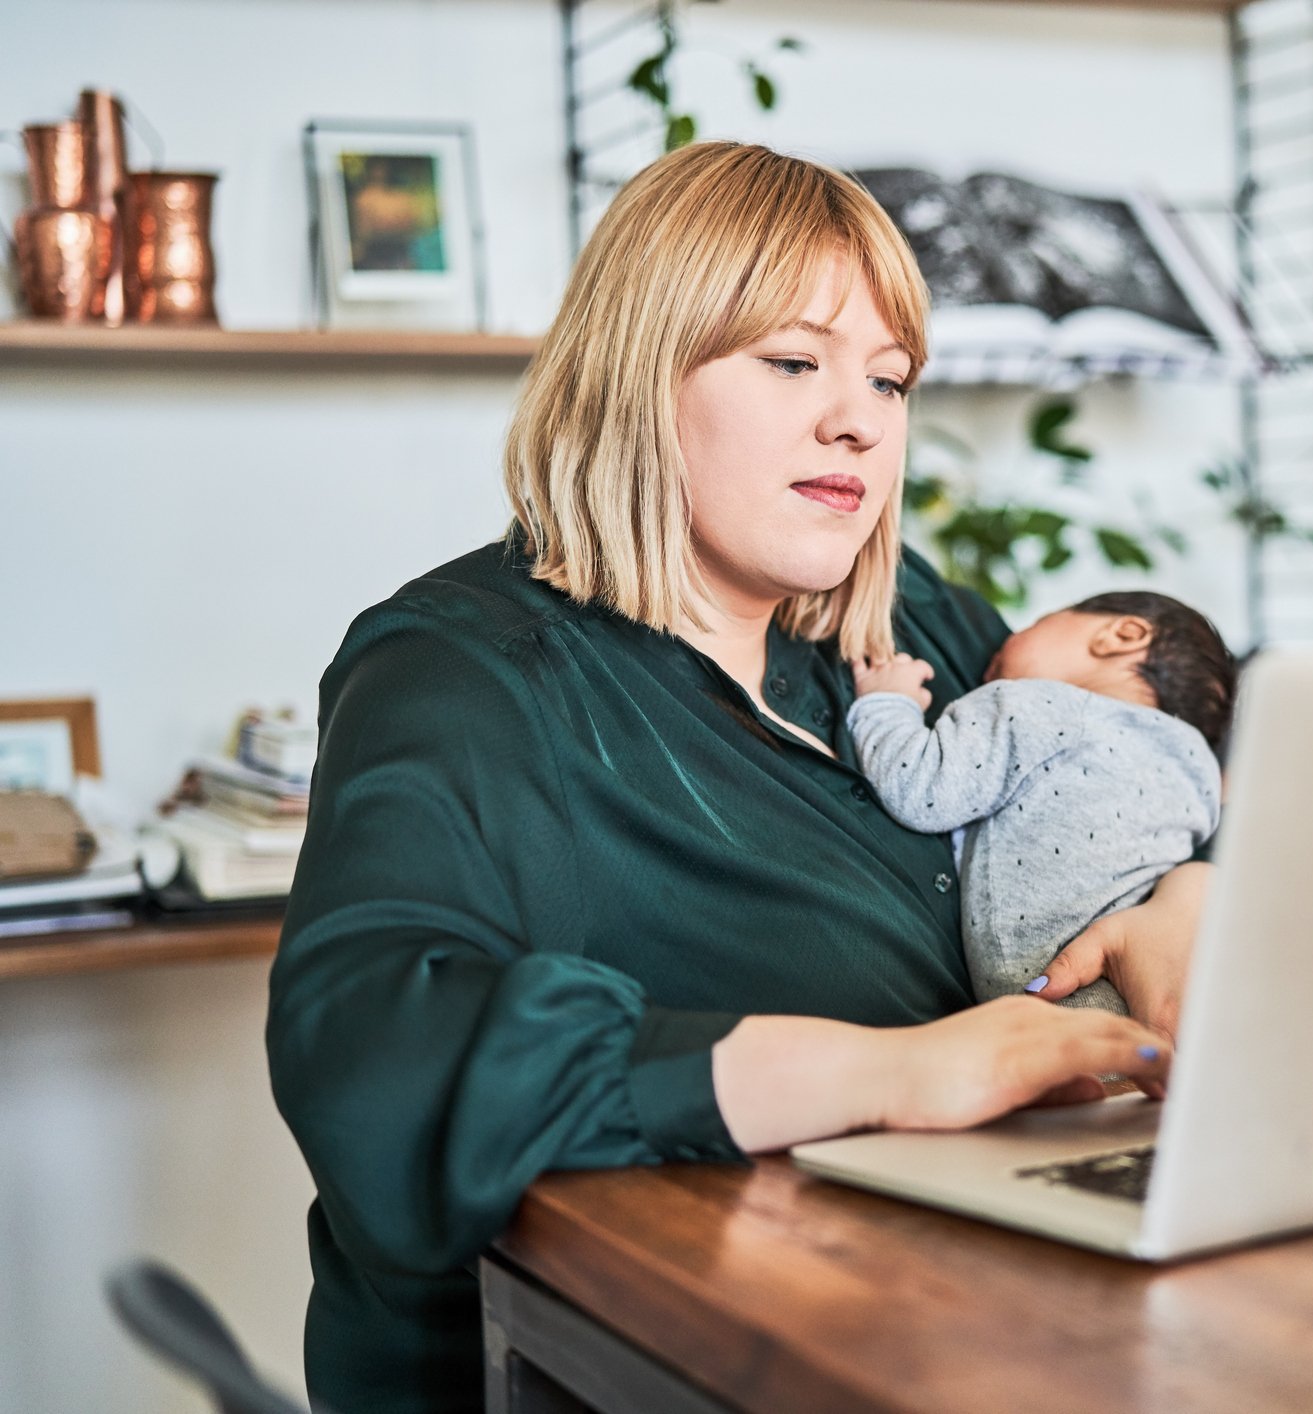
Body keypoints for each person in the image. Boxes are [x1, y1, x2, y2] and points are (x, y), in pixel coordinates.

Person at [265, 141, 1209, 1414]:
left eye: (888, 378)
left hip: (978, 1317)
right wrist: (888, 1071)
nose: (858, 419)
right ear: (640, 371)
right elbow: (369, 1047)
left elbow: (1138, 770)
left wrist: (1188, 893)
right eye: (793, 362)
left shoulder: (918, 627)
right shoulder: (465, 673)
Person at [847, 591, 1234, 1014]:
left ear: (1122, 635)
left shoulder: (1034, 704)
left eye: (1035, 622)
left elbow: (920, 790)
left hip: (1073, 998)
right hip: (1181, 994)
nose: (1001, 645)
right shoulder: (1196, 774)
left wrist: (887, 701)